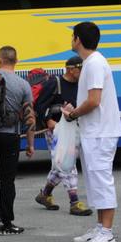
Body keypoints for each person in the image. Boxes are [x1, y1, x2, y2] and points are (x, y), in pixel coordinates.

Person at [62, 21, 121, 242]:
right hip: (94, 131)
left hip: (100, 132)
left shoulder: (95, 63)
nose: (71, 40)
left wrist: (73, 113)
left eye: (72, 36)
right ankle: (100, 227)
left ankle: (107, 232)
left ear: (78, 39)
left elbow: (94, 101)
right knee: (95, 180)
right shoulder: (91, 62)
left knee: (101, 179)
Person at [0, 46, 35, 236]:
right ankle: (8, 221)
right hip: (11, 136)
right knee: (7, 180)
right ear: (16, 61)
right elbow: (29, 118)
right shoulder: (23, 85)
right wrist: (31, 144)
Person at [34, 56, 93, 217]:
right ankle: (74, 202)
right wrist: (49, 121)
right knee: (67, 163)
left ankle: (45, 194)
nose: (82, 73)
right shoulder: (54, 83)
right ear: (70, 69)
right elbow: (39, 105)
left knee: (59, 165)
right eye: (80, 70)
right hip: (56, 130)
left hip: (73, 129)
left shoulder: (81, 85)